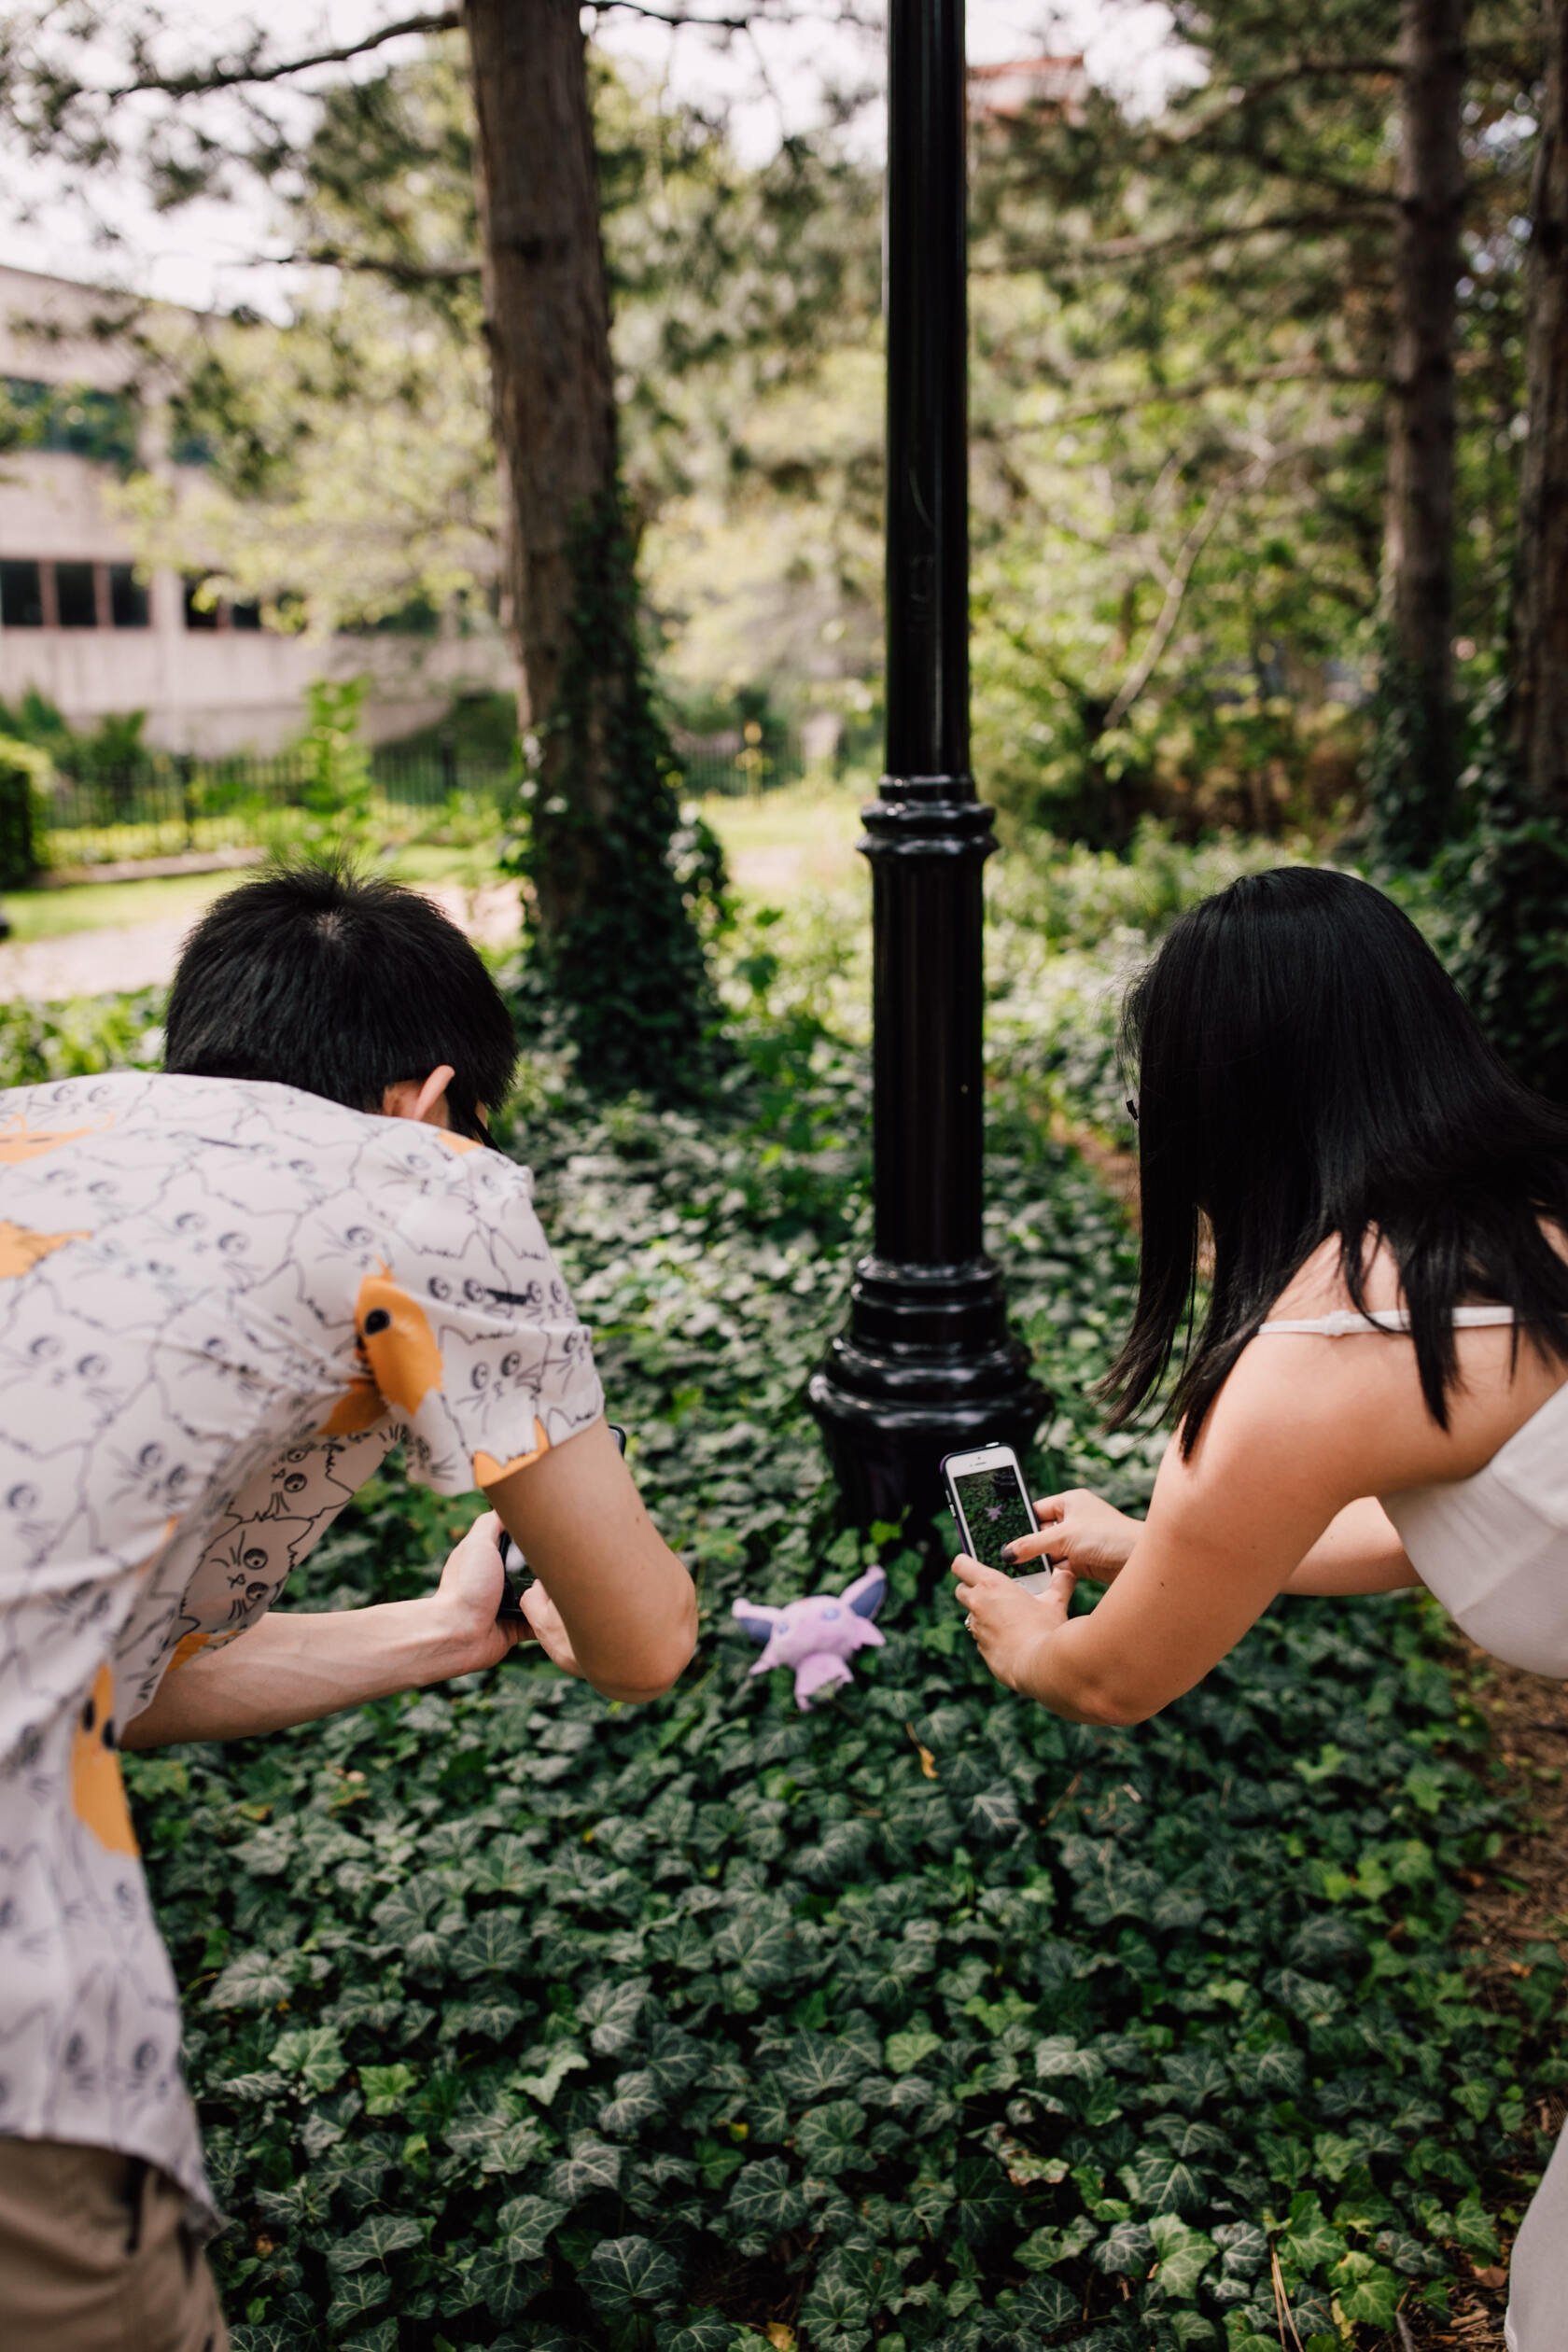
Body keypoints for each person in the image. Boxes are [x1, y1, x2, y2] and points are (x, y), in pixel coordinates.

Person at [0, 861, 696, 2349]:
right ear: (431, 1098)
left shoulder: (38, 1127)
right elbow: (646, 1643)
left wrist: (447, 1632)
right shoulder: (419, 1183)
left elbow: (99, 1672)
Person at [949, 866, 1568, 2352]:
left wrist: (1037, 1644)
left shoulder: (1321, 1347)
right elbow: (1488, 1521)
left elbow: (1117, 1680)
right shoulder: (1525, 1221)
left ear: (1221, 1107)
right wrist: (1182, 1538)